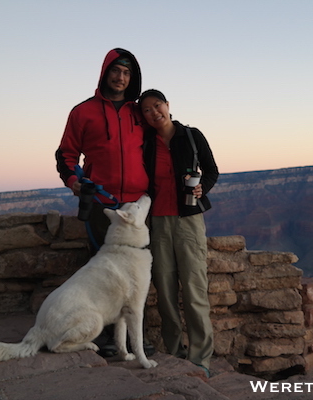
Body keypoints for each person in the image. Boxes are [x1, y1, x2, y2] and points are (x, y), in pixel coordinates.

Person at [55, 48, 150, 358]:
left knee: (135, 277)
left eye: (126, 73)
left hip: (137, 206)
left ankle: (134, 340)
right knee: (104, 273)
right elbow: (65, 156)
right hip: (102, 205)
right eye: (116, 71)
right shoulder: (83, 112)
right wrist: (74, 183)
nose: (120, 78)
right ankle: (108, 338)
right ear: (105, 72)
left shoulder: (140, 113)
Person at [139, 89, 218, 376]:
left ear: (168, 105)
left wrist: (201, 188)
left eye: (156, 105)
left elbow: (211, 171)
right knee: (165, 292)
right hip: (158, 223)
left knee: (195, 289)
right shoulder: (146, 143)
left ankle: (200, 359)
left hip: (188, 222)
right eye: (146, 110)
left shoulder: (192, 136)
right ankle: (174, 353)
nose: (153, 113)